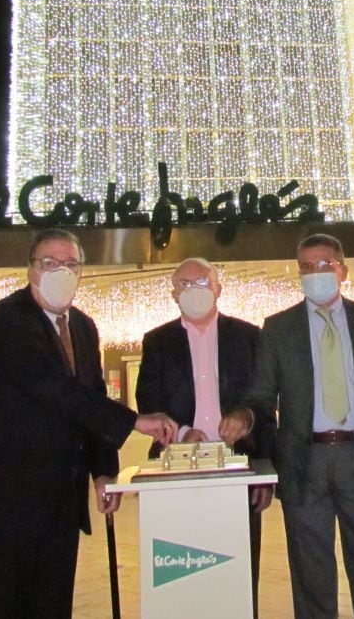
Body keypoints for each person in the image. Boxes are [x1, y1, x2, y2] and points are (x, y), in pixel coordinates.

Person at [0, 229, 177, 618]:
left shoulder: (83, 327)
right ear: (31, 270)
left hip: (56, 510)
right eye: (49, 263)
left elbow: (91, 398)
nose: (61, 271)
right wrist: (135, 421)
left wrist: (104, 471)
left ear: (82, 272)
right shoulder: (7, 320)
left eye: (71, 264)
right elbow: (53, 390)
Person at [220, 233, 354, 619]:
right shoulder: (278, 327)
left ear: (343, 270)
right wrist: (245, 416)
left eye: (324, 264)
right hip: (304, 463)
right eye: (306, 267)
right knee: (311, 576)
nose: (315, 273)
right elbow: (262, 393)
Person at [136, 257, 276, 615]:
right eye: (184, 284)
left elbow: (264, 400)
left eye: (202, 283)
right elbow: (148, 400)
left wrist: (263, 466)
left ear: (218, 288)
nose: (194, 291)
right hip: (177, 467)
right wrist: (181, 431)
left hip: (238, 465)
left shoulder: (248, 336)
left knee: (240, 568)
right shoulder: (157, 341)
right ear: (172, 294)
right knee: (180, 565)